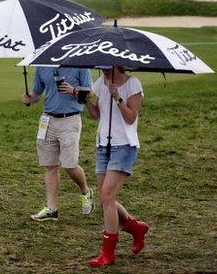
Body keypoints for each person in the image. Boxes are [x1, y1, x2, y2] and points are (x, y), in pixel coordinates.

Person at [85, 66, 149, 267]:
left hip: (124, 146)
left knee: (106, 197)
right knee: (107, 200)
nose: (103, 71)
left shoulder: (133, 84)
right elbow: (96, 115)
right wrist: (86, 99)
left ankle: (108, 253)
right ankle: (135, 228)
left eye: (106, 68)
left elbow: (131, 118)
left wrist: (118, 97)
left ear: (116, 65)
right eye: (100, 68)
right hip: (103, 145)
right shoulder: (100, 83)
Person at [22, 66, 94, 221]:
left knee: (69, 165)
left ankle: (85, 191)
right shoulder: (43, 66)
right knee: (50, 165)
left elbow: (91, 92)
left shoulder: (78, 65)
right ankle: (52, 209)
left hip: (71, 119)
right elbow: (37, 93)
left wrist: (73, 90)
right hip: (48, 119)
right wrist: (29, 99)